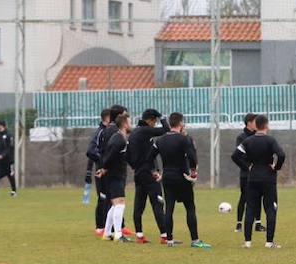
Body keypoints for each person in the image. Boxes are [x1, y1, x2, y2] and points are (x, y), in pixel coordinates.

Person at [149, 113, 211, 249]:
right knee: (190, 207)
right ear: (181, 123)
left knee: (169, 208)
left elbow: (149, 157)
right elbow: (192, 156)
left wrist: (155, 172)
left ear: (170, 123)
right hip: (182, 177)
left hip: (167, 178)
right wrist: (193, 171)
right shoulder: (184, 139)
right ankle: (195, 240)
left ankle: (169, 240)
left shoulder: (160, 140)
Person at [232, 114, 286, 249]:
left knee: (250, 208)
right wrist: (276, 167)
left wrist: (247, 166)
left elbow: (235, 156)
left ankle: (248, 242)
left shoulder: (248, 141)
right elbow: (281, 154)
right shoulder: (270, 141)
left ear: (256, 126)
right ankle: (269, 242)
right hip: (268, 178)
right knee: (270, 209)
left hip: (253, 177)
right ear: (266, 125)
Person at [88, 104, 133, 238]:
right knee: (118, 203)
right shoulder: (117, 137)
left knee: (114, 204)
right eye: (129, 120)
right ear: (124, 123)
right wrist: (103, 168)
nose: (131, 123)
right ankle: (118, 234)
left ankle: (107, 233)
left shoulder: (119, 136)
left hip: (113, 173)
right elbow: (108, 155)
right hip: (114, 174)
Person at [126, 109, 169, 244]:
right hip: (148, 174)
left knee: (139, 204)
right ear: (149, 120)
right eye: (155, 121)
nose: (155, 124)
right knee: (157, 202)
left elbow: (127, 155)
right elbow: (165, 130)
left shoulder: (134, 133)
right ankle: (164, 236)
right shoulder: (145, 130)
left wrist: (135, 167)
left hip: (139, 173)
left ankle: (139, 236)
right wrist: (162, 117)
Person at [235, 113, 264, 234]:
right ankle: (239, 224)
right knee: (244, 197)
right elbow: (239, 156)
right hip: (246, 174)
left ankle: (258, 224)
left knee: (258, 198)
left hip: (258, 173)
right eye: (254, 121)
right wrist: (247, 167)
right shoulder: (241, 137)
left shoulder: (259, 136)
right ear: (249, 123)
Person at [85, 109, 110, 235]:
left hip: (108, 171)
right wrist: (101, 162)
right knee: (102, 198)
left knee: (112, 198)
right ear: (107, 118)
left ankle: (116, 226)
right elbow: (90, 151)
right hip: (101, 171)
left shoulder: (109, 131)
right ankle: (100, 227)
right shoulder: (100, 132)